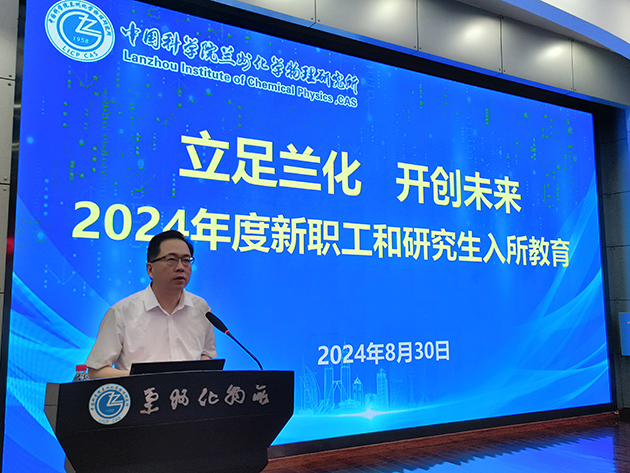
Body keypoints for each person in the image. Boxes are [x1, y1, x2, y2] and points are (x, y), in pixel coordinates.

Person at [86, 230, 217, 378]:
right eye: (171, 259)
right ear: (150, 269)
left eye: (186, 260)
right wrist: (144, 378)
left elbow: (207, 353)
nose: (181, 267)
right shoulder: (122, 312)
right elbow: (96, 371)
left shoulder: (201, 308)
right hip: (140, 392)